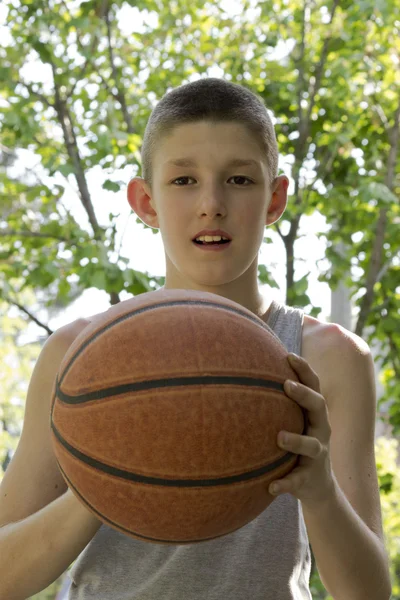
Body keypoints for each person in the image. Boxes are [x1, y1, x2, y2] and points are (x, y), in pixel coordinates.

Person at [0, 78, 391, 600]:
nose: (211, 203)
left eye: (239, 180)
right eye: (184, 181)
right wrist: (105, 486)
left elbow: (368, 594)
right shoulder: (76, 356)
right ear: (146, 201)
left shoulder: (331, 358)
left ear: (275, 199)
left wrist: (319, 491)